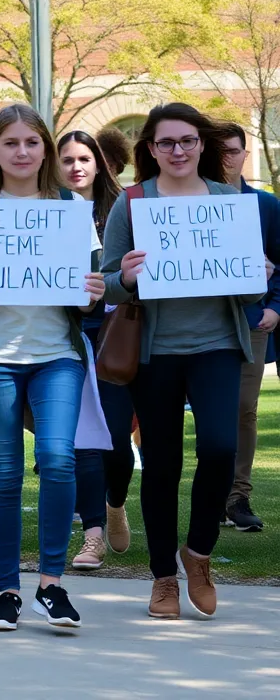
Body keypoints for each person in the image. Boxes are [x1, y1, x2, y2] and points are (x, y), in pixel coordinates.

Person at [0, 104, 104, 631]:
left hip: (57, 356)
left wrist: (91, 295)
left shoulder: (70, 207)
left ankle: (51, 585)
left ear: (46, 150)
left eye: (32, 143)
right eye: (11, 143)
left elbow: (89, 290)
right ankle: (7, 591)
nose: (22, 152)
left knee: (58, 460)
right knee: (4, 475)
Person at [102, 102, 266, 620]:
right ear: (150, 149)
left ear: (202, 146)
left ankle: (198, 554)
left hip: (217, 347)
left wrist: (255, 274)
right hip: (154, 355)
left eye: (188, 141)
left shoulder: (229, 202)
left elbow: (245, 293)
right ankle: (163, 577)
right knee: (163, 464)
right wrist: (125, 278)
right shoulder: (131, 204)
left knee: (220, 448)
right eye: (167, 142)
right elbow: (104, 284)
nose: (178, 150)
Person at [58, 130, 136, 570]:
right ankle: (92, 536)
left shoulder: (122, 210)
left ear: (99, 163)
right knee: (82, 440)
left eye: (84, 158)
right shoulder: (44, 211)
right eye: (67, 159)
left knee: (118, 445)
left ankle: (114, 505)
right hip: (65, 335)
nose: (76, 167)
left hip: (115, 335)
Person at [219, 123, 280, 533]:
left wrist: (275, 306)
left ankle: (237, 497)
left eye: (234, 150)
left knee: (243, 408)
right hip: (197, 323)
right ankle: (208, 496)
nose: (228, 157)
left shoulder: (266, 205)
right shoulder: (187, 205)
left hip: (253, 321)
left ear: (247, 153)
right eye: (219, 150)